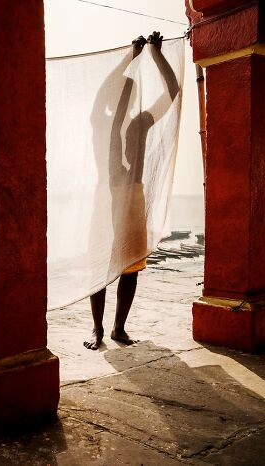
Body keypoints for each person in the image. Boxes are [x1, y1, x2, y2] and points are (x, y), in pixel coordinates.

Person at [84, 32, 180, 350]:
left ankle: (117, 328)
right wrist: (130, 58)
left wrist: (157, 54)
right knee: (100, 264)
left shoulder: (140, 124)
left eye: (131, 92)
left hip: (133, 198)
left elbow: (172, 90)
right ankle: (97, 331)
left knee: (131, 267)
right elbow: (100, 97)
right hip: (106, 198)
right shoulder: (102, 123)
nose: (125, 98)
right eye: (122, 94)